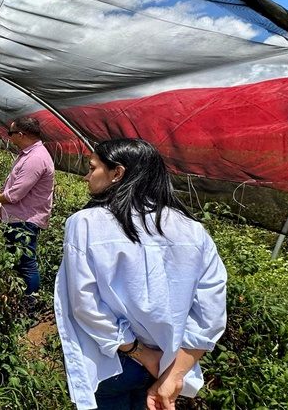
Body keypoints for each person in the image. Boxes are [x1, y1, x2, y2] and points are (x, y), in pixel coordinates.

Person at [54, 138, 227, 410]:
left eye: (92, 168)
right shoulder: (194, 231)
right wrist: (175, 373)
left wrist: (141, 353)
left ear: (117, 173)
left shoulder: (85, 223)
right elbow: (211, 314)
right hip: (169, 363)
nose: (86, 177)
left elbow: (85, 304)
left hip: (112, 361)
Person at [0, 117, 55, 299]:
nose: (9, 138)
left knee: (26, 263)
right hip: (17, 217)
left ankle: (30, 304)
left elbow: (15, 195)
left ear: (21, 134)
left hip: (24, 220)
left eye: (11, 134)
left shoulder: (35, 158)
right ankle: (21, 298)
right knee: (18, 261)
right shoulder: (28, 154)